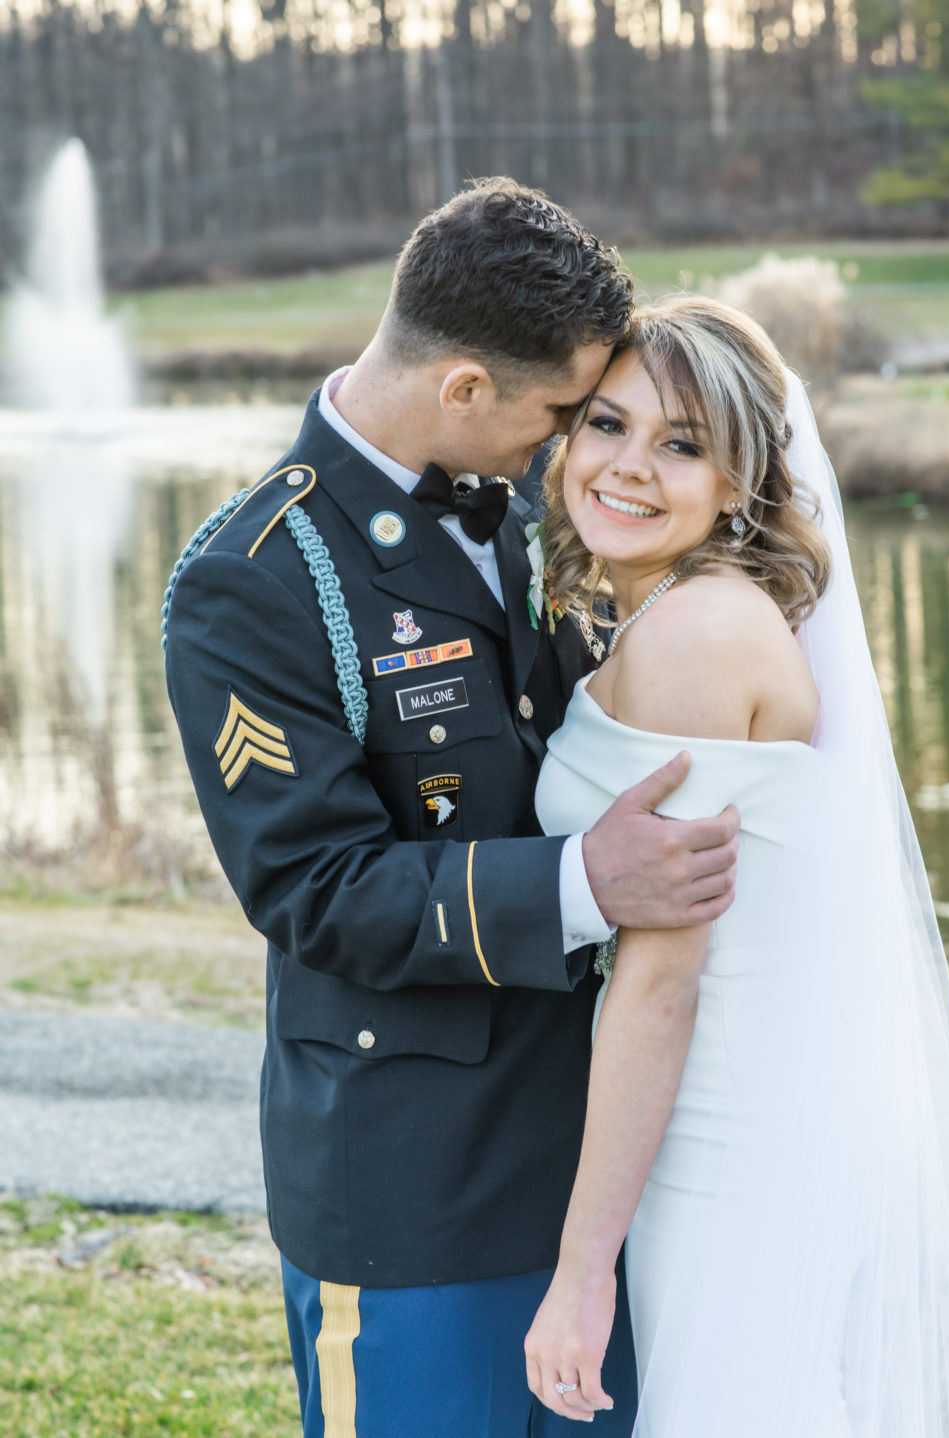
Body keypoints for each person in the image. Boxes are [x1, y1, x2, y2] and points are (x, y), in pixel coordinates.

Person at [162, 181, 742, 1438]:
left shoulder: (541, 511)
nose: (573, 445)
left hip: (602, 1170)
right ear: (468, 387)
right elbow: (314, 888)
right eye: (563, 414)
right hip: (415, 1189)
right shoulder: (252, 578)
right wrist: (586, 881)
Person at [525, 295, 949, 1434]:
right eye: (608, 424)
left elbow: (662, 981)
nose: (628, 465)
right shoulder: (688, 609)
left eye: (681, 444)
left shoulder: (696, 636)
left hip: (730, 1139)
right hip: (733, 1116)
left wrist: (581, 1273)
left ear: (739, 484)